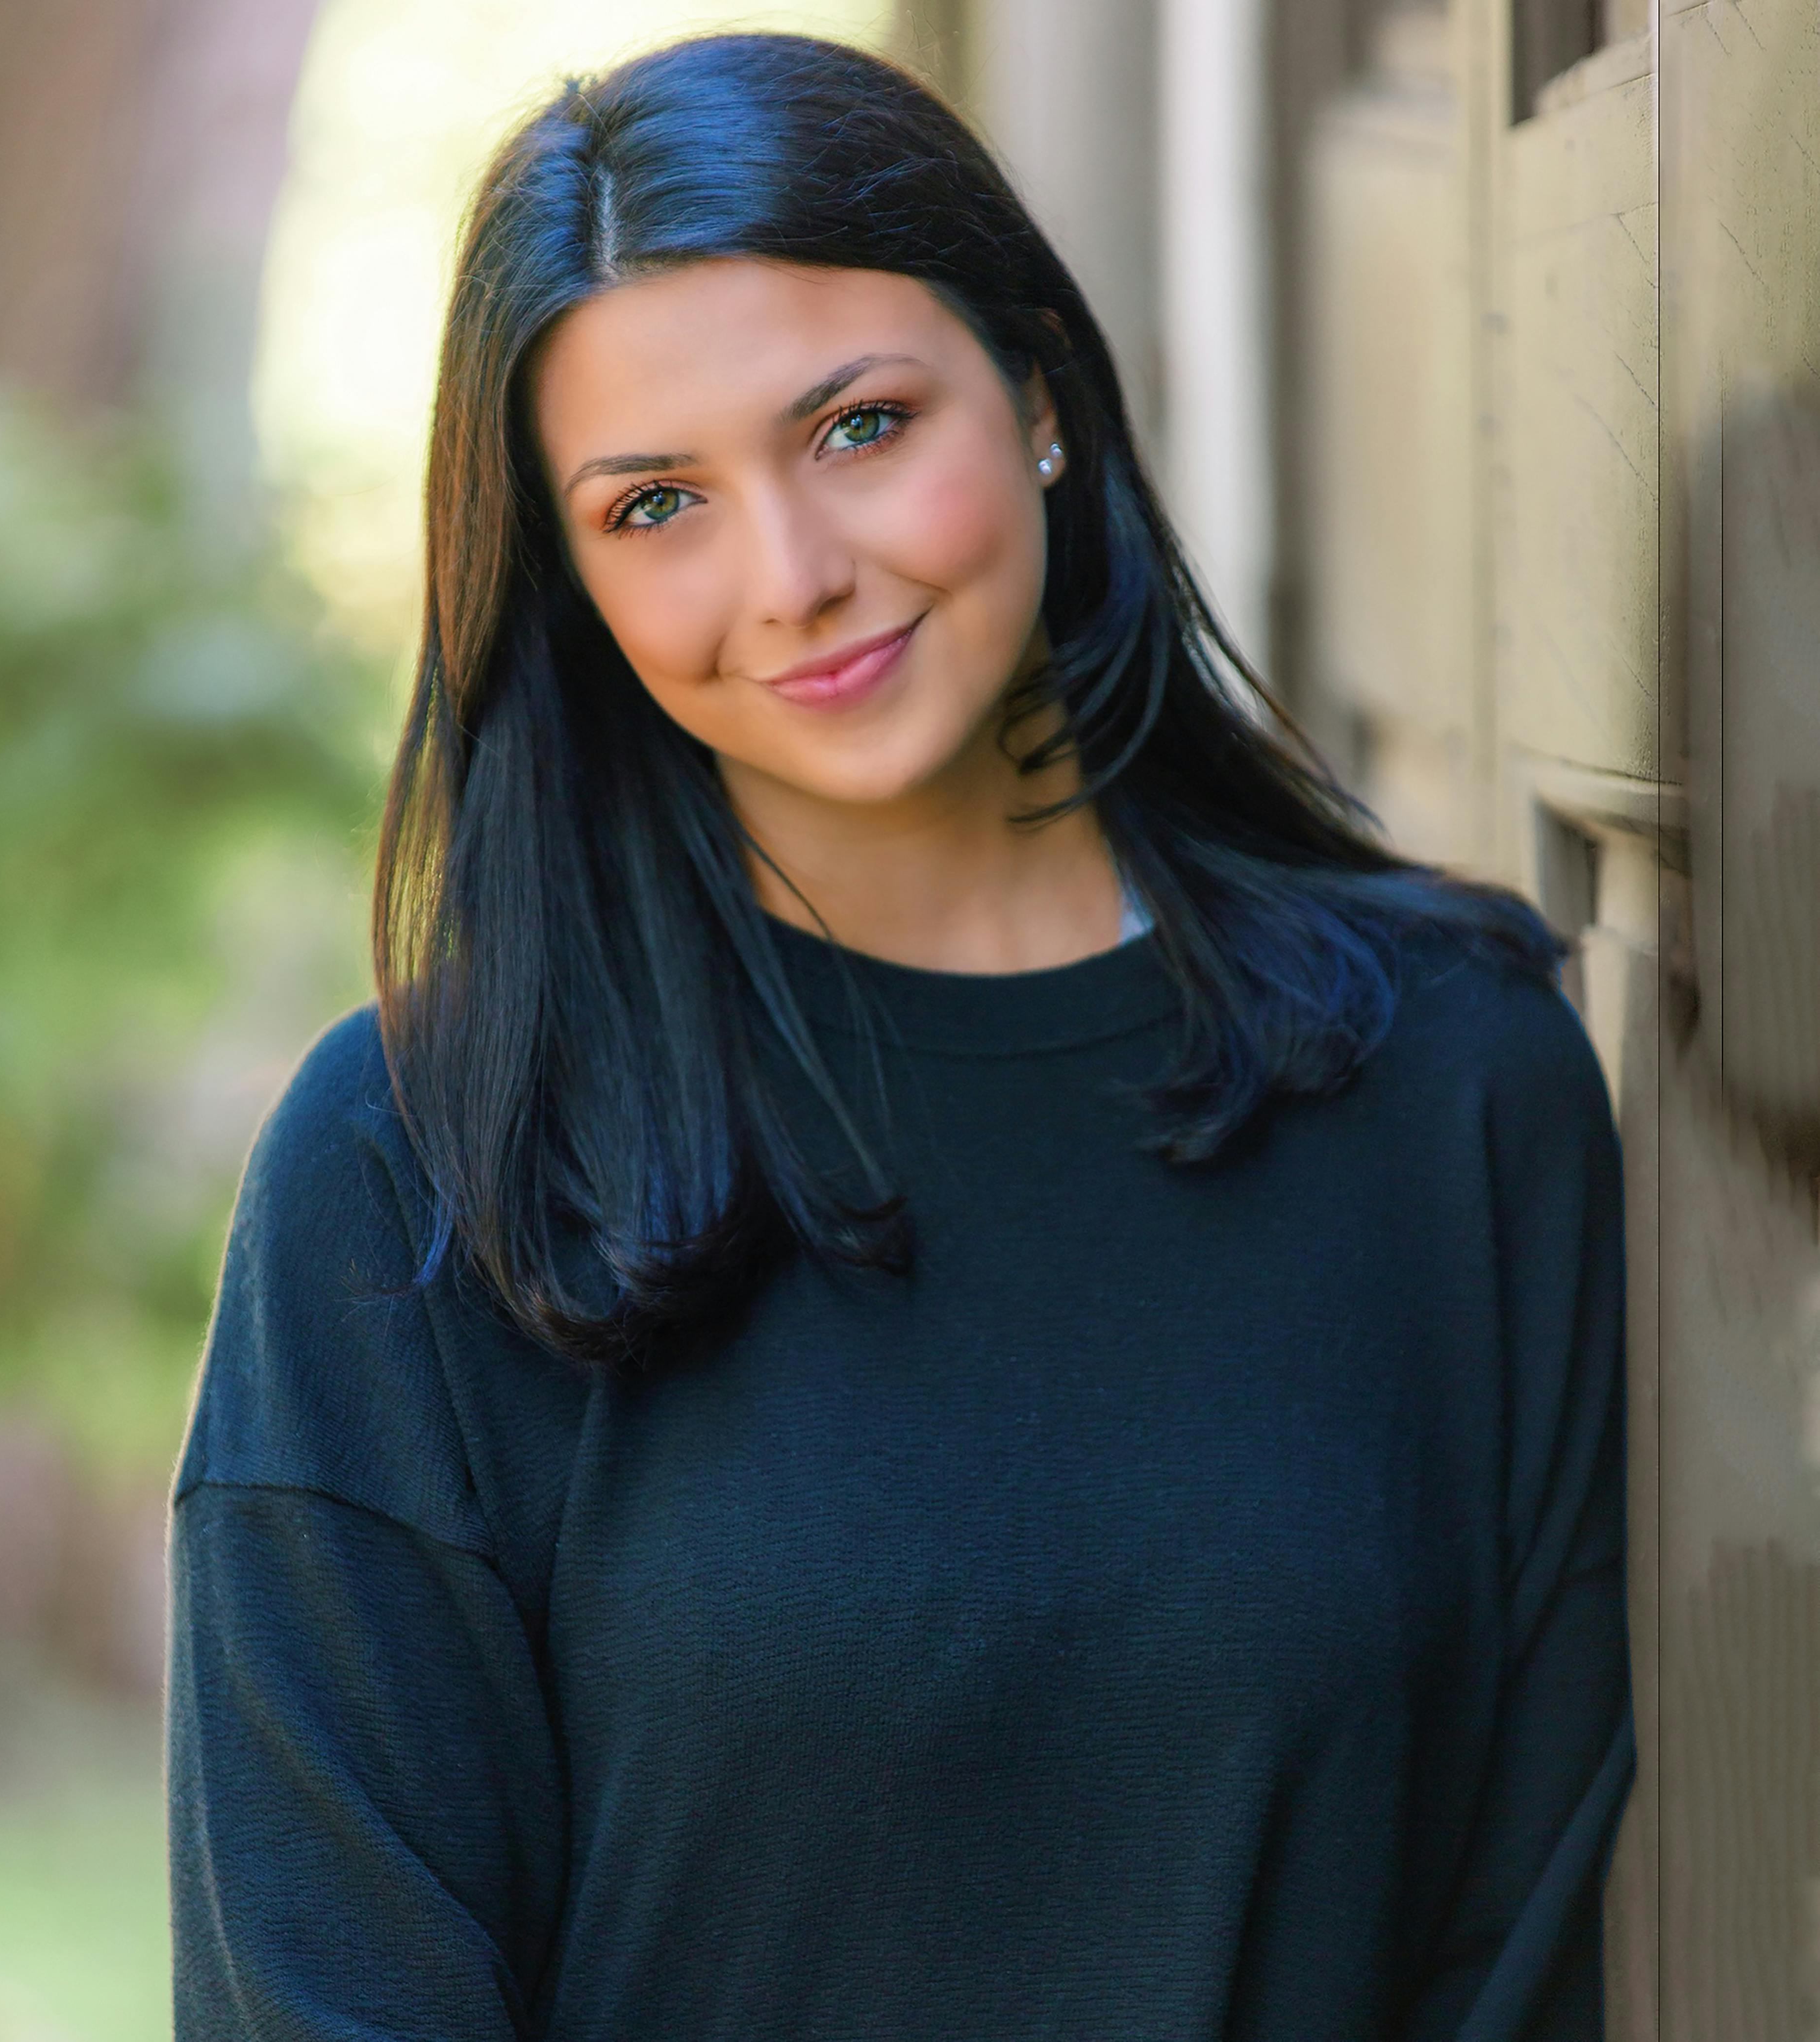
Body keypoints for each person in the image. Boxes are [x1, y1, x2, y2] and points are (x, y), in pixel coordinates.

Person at [167, 32, 1632, 2042]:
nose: (791, 579)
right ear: (569, 580)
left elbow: (1523, 1938)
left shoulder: (1454, 1092)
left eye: (857, 427)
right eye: (656, 505)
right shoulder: (422, 1168)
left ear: (1035, 385)